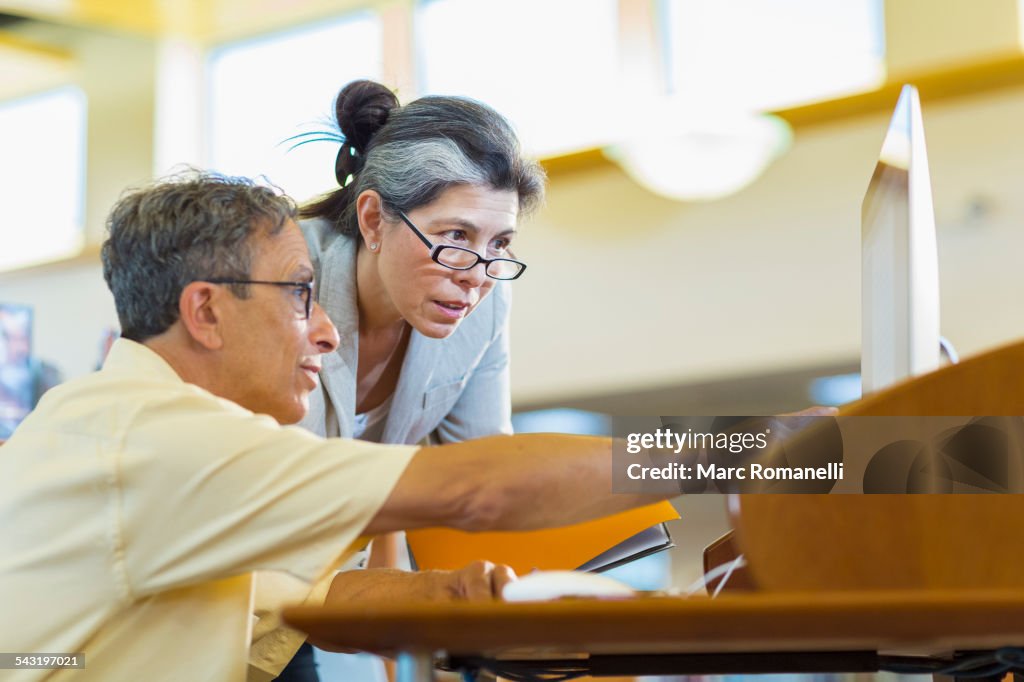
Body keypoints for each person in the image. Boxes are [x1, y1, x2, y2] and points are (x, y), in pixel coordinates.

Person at [0, 173, 669, 682]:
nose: (325, 333)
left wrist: (460, 597)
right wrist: (742, 453)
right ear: (205, 312)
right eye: (299, 294)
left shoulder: (127, 429)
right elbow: (474, 486)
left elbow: (322, 600)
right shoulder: (157, 436)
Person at [287, 80, 543, 680]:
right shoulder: (284, 278)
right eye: (455, 238)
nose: (477, 278)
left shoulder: (484, 308)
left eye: (499, 244)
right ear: (374, 218)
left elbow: (481, 473)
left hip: (314, 579)